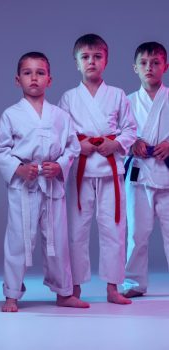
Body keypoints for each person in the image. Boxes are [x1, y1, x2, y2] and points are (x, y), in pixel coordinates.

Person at [0, 51, 89, 312]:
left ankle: (64, 292)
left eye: (40, 73)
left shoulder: (60, 115)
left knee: (58, 239)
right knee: (18, 239)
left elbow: (72, 147)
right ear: (17, 80)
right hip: (23, 186)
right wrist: (19, 168)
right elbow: (1, 150)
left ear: (50, 79)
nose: (34, 78)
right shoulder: (10, 114)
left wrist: (59, 166)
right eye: (27, 73)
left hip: (52, 185)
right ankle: (11, 294)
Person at [58, 34, 136, 304]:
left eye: (97, 56)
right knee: (76, 232)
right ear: (76, 63)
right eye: (85, 57)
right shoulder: (68, 98)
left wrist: (114, 143)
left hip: (110, 172)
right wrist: (81, 144)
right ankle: (74, 287)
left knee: (114, 229)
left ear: (106, 60)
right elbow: (62, 132)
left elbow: (130, 129)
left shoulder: (117, 95)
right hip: (81, 171)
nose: (91, 61)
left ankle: (113, 288)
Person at [123, 42, 169, 298]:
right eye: (144, 63)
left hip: (166, 171)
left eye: (155, 62)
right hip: (139, 174)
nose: (149, 67)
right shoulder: (127, 102)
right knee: (137, 234)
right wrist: (132, 143)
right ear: (135, 68)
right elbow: (119, 134)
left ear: (165, 66)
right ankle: (133, 283)